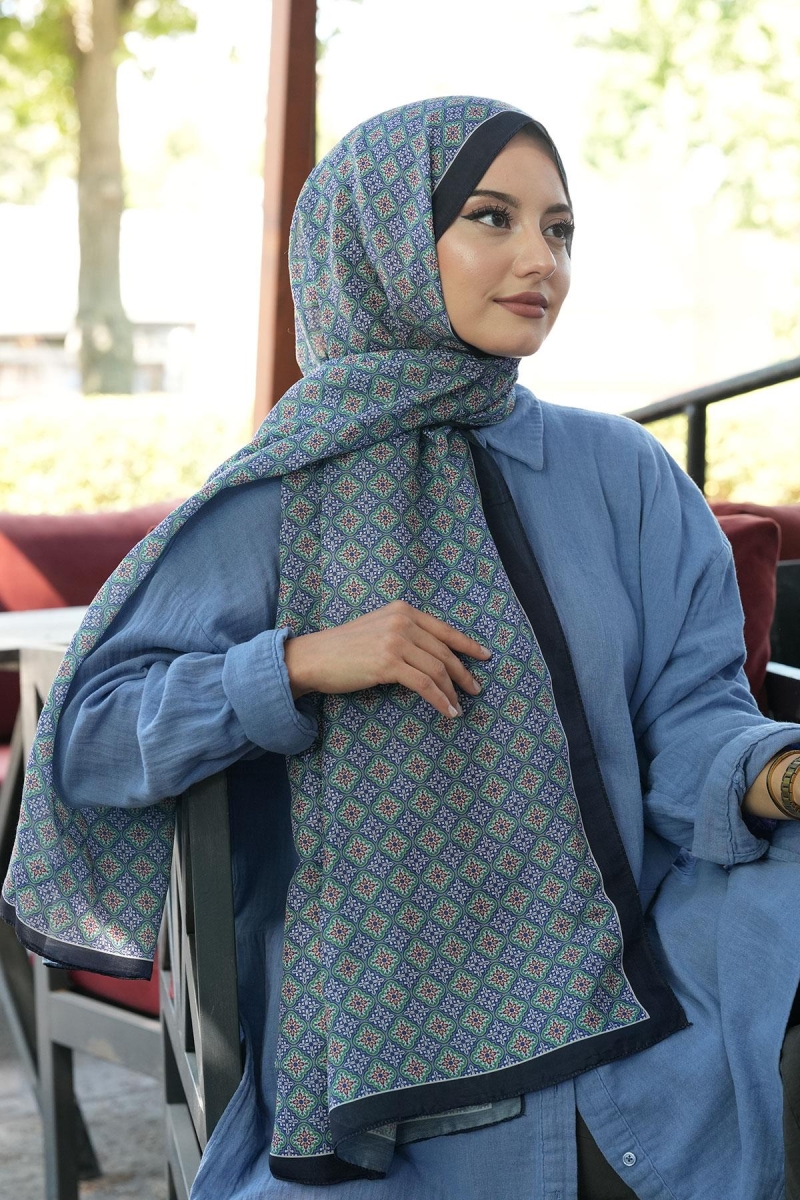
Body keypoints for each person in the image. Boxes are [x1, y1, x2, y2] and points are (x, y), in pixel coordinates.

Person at [3, 96, 800, 1200]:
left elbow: (692, 720)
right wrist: (292, 666)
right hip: (395, 1061)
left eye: (559, 228)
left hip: (641, 986)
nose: (541, 261)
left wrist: (776, 773)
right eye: (492, 218)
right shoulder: (284, 492)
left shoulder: (624, 475)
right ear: (379, 240)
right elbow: (89, 735)